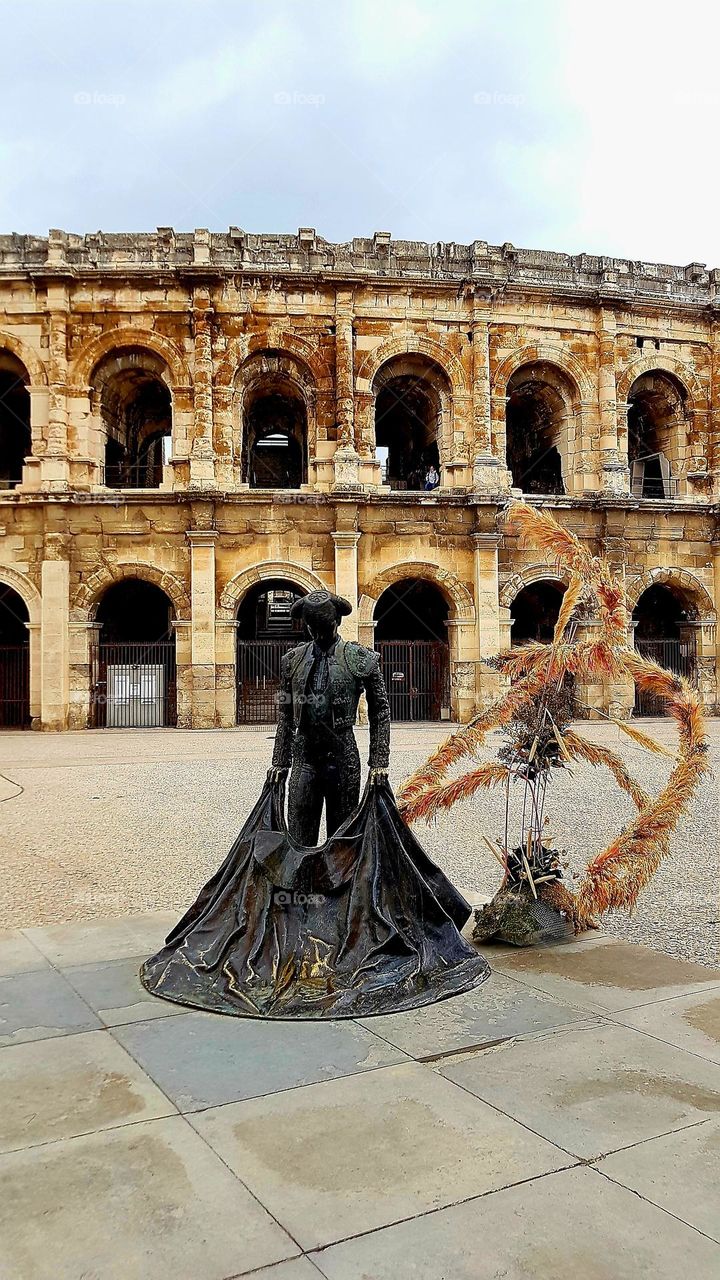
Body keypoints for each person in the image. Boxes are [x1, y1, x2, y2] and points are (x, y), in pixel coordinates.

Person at [269, 590, 390, 845]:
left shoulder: (360, 658)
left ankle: (340, 886)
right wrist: (280, 762)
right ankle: (303, 885)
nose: (318, 633)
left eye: (324, 627)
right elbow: (286, 713)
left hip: (342, 754)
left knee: (342, 839)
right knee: (300, 836)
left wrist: (378, 762)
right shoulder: (292, 660)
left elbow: (380, 709)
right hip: (305, 755)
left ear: (336, 623)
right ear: (308, 628)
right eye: (313, 628)